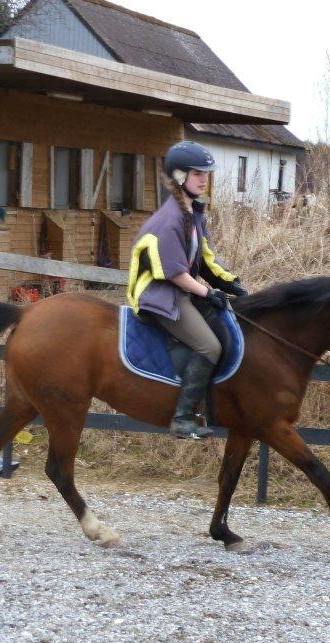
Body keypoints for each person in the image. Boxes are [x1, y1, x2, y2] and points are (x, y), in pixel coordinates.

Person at [126, 141, 248, 440]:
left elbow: (203, 256)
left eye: (206, 173)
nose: (204, 179)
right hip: (159, 296)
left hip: (179, 290)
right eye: (197, 174)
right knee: (210, 346)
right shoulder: (169, 220)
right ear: (180, 176)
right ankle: (182, 419)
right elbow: (176, 273)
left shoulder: (191, 214)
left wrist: (229, 282)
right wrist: (208, 294)